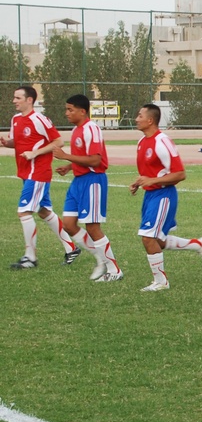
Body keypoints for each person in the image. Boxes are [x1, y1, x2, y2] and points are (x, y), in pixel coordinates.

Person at [129, 103, 202, 291]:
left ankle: (161, 282)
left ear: (150, 120)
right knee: (158, 240)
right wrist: (139, 182)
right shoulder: (142, 142)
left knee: (147, 238)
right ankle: (198, 244)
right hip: (150, 196)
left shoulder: (162, 141)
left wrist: (152, 181)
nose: (136, 119)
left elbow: (180, 174)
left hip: (163, 196)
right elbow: (151, 173)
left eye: (140, 115)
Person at [0, 85, 78, 268]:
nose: (14, 101)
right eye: (14, 97)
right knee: (44, 211)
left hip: (38, 173)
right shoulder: (16, 119)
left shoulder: (39, 119)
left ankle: (30, 258)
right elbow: (18, 143)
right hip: (26, 172)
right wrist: (7, 143)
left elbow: (59, 141)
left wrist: (35, 153)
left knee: (24, 212)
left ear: (29, 100)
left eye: (18, 98)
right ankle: (71, 248)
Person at [51, 94, 123, 282]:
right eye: (67, 109)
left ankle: (114, 269)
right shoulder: (77, 130)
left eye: (70, 109)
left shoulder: (91, 129)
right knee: (68, 224)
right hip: (79, 181)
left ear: (82, 111)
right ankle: (100, 258)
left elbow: (95, 159)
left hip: (93, 180)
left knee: (92, 226)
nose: (67, 113)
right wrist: (69, 166)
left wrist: (66, 157)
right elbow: (83, 157)